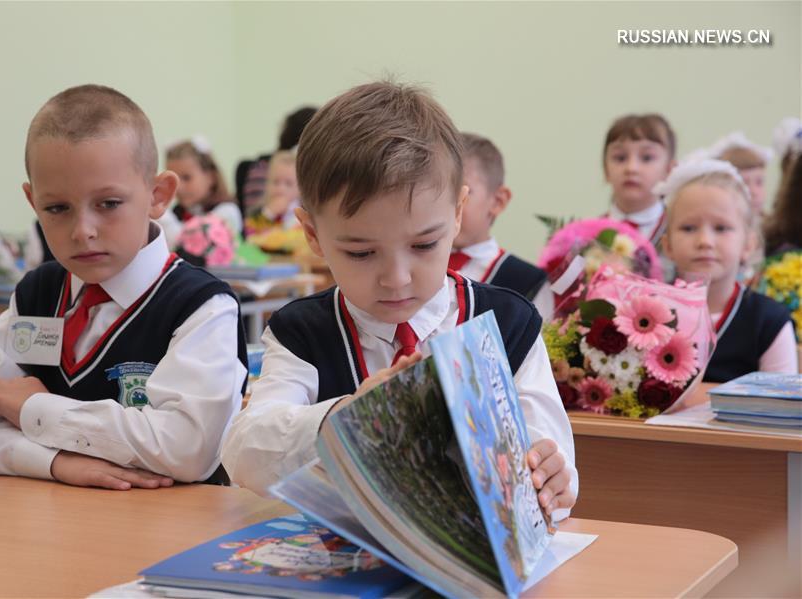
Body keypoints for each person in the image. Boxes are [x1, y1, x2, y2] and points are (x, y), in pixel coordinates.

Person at [223, 82, 577, 521]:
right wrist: (345, 418)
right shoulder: (301, 332)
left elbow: (552, 459)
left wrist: (553, 480)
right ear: (312, 234)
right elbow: (244, 453)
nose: (397, 278)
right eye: (361, 252)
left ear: (458, 214)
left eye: (425, 244)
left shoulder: (507, 323)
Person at [0, 84, 248, 488]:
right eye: (57, 208)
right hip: (43, 526)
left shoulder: (201, 305)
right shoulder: (36, 294)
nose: (83, 231)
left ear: (158, 195)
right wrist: (55, 462)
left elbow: (187, 449)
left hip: (170, 534)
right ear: (33, 203)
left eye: (109, 204)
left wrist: (35, 409)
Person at [659, 159, 797, 382]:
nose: (705, 241)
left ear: (748, 245)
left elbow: (779, 407)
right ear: (668, 246)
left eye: (721, 228)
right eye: (689, 228)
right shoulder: (645, 314)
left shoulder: (769, 321)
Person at [449, 133, 553, 320]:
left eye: (462, 192)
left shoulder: (527, 282)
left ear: (498, 201)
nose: (447, 204)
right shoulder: (411, 268)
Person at [602, 114, 676, 247]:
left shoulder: (679, 232)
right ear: (606, 170)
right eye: (620, 158)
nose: (631, 168)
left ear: (669, 170)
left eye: (647, 158)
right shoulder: (586, 235)